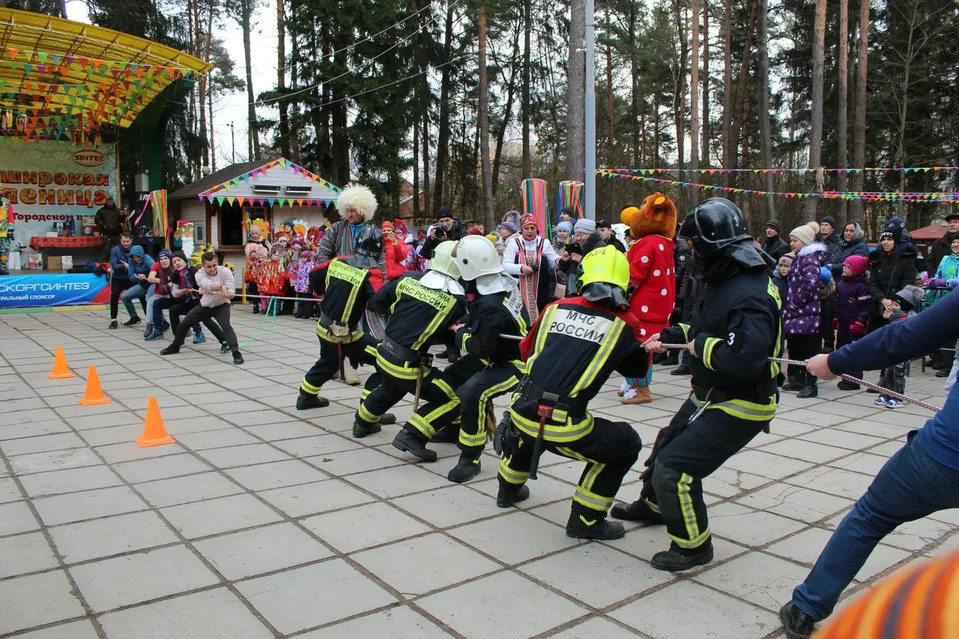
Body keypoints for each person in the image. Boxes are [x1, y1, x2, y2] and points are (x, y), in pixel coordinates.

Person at [611, 197, 782, 571]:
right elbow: (707, 328)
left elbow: (745, 359)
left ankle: (693, 545)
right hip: (710, 392)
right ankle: (655, 506)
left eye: (691, 244)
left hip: (742, 400)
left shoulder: (750, 293)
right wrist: (670, 334)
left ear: (707, 245)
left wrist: (699, 345)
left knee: (676, 468)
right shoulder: (728, 278)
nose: (687, 250)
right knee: (667, 442)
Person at [779, 287, 959, 639]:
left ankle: (807, 606)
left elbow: (908, 335)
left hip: (944, 456)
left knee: (872, 515)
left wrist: (834, 361)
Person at [495, 246, 648, 540]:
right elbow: (638, 370)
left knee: (527, 429)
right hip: (565, 426)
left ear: (583, 278)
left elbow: (526, 351)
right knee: (626, 443)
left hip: (521, 408)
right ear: (625, 285)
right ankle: (586, 521)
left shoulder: (555, 308)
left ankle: (508, 490)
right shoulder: (626, 323)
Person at [392, 236, 530, 481]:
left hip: (513, 362)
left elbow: (478, 347)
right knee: (451, 380)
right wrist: (468, 325)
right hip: (497, 353)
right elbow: (488, 325)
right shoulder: (500, 282)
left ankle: (470, 457)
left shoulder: (488, 302)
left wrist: (459, 334)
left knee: (472, 393)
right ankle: (449, 428)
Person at [354, 241, 467, 440]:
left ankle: (362, 423)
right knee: (455, 395)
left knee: (391, 388)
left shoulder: (407, 278)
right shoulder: (455, 299)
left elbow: (377, 304)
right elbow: (448, 337)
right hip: (407, 366)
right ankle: (414, 434)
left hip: (383, 354)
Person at [296, 227, 394, 426]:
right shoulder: (372, 273)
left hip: (324, 326)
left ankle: (306, 396)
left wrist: (323, 292)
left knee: (328, 362)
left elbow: (314, 274)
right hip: (344, 334)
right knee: (383, 359)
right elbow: (378, 305)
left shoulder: (337, 261)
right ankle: (370, 409)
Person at [160, 252, 244, 365]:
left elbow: (231, 288)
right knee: (185, 323)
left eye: (214, 265)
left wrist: (229, 293)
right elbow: (207, 285)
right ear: (203, 266)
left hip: (222, 305)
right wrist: (221, 287)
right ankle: (176, 346)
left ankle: (236, 352)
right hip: (205, 306)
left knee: (226, 325)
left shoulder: (225, 271)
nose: (212, 269)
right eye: (209, 266)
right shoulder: (199, 274)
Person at [782, 222, 826, 398]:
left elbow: (810, 283)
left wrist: (795, 301)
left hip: (806, 312)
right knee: (796, 347)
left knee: (808, 349)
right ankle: (798, 378)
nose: (792, 244)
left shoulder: (810, 259)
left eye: (795, 240)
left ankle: (810, 383)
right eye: (791, 241)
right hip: (797, 314)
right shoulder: (799, 257)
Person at [872, 285, 923, 408]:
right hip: (891, 350)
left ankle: (898, 396)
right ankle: (887, 393)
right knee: (887, 373)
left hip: (902, 352)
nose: (891, 307)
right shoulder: (895, 317)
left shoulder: (907, 319)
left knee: (898, 374)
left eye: (896, 305)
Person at [502, 214, 560, 322]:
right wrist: (521, 268)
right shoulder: (514, 243)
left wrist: (560, 260)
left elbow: (553, 262)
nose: (530, 231)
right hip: (519, 288)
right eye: (526, 228)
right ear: (521, 229)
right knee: (521, 316)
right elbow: (505, 265)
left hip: (540, 288)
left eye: (532, 228)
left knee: (541, 314)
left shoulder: (544, 243)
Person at [867, 227, 917, 333]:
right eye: (883, 239)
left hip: (898, 307)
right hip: (878, 307)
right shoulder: (877, 259)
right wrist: (882, 300)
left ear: (896, 241)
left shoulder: (906, 259)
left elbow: (908, 284)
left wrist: (893, 303)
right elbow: (872, 284)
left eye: (889, 239)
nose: (885, 242)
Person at [833, 255, 870, 390]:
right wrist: (836, 317)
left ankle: (853, 379)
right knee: (841, 347)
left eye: (848, 266)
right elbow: (837, 303)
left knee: (853, 351)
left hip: (854, 324)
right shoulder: (841, 283)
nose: (844, 268)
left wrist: (860, 322)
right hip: (843, 322)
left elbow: (865, 307)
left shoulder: (861, 287)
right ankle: (845, 375)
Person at [816, 217, 843, 352]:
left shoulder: (837, 243)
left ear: (832, 228)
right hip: (818, 283)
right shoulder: (817, 242)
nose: (823, 227)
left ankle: (828, 343)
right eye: (822, 224)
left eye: (826, 225)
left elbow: (836, 262)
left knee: (828, 316)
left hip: (831, 284)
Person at [117, 244, 155, 328]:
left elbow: (155, 269)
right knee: (124, 296)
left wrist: (146, 275)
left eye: (138, 257)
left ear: (142, 255)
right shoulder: (131, 261)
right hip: (143, 284)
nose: (136, 259)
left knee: (150, 300)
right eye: (134, 257)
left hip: (152, 284)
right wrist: (138, 276)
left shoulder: (148, 259)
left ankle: (160, 321)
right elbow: (130, 275)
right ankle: (134, 317)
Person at [107, 232, 136, 329]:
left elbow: (140, 262)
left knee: (142, 296)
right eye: (124, 241)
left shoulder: (135, 249)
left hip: (131, 277)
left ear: (131, 241)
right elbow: (114, 265)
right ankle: (113, 319)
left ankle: (149, 320)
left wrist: (132, 267)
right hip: (119, 278)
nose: (126, 243)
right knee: (114, 295)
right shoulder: (115, 250)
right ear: (120, 241)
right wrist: (124, 266)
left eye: (128, 241)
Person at [244, 224, 271, 314]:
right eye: (253, 233)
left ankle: (265, 306)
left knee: (263, 287)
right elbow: (247, 254)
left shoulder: (264, 241)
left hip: (263, 267)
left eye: (256, 233)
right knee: (254, 286)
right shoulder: (249, 243)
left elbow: (270, 252)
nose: (255, 235)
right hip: (252, 268)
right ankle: (255, 305)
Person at [927, 212, 959, 277]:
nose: (951, 225)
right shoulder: (938, 243)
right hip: (940, 283)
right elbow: (930, 263)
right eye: (950, 222)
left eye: (955, 222)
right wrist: (935, 279)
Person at [94, 195, 125, 263]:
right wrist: (103, 225)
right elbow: (97, 220)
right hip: (107, 234)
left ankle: (118, 263)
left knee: (118, 250)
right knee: (106, 250)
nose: (110, 201)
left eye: (111, 200)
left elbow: (123, 221)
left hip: (117, 234)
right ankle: (105, 265)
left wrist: (123, 215)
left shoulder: (118, 210)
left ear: (113, 201)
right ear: (105, 201)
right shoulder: (101, 211)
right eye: (108, 200)